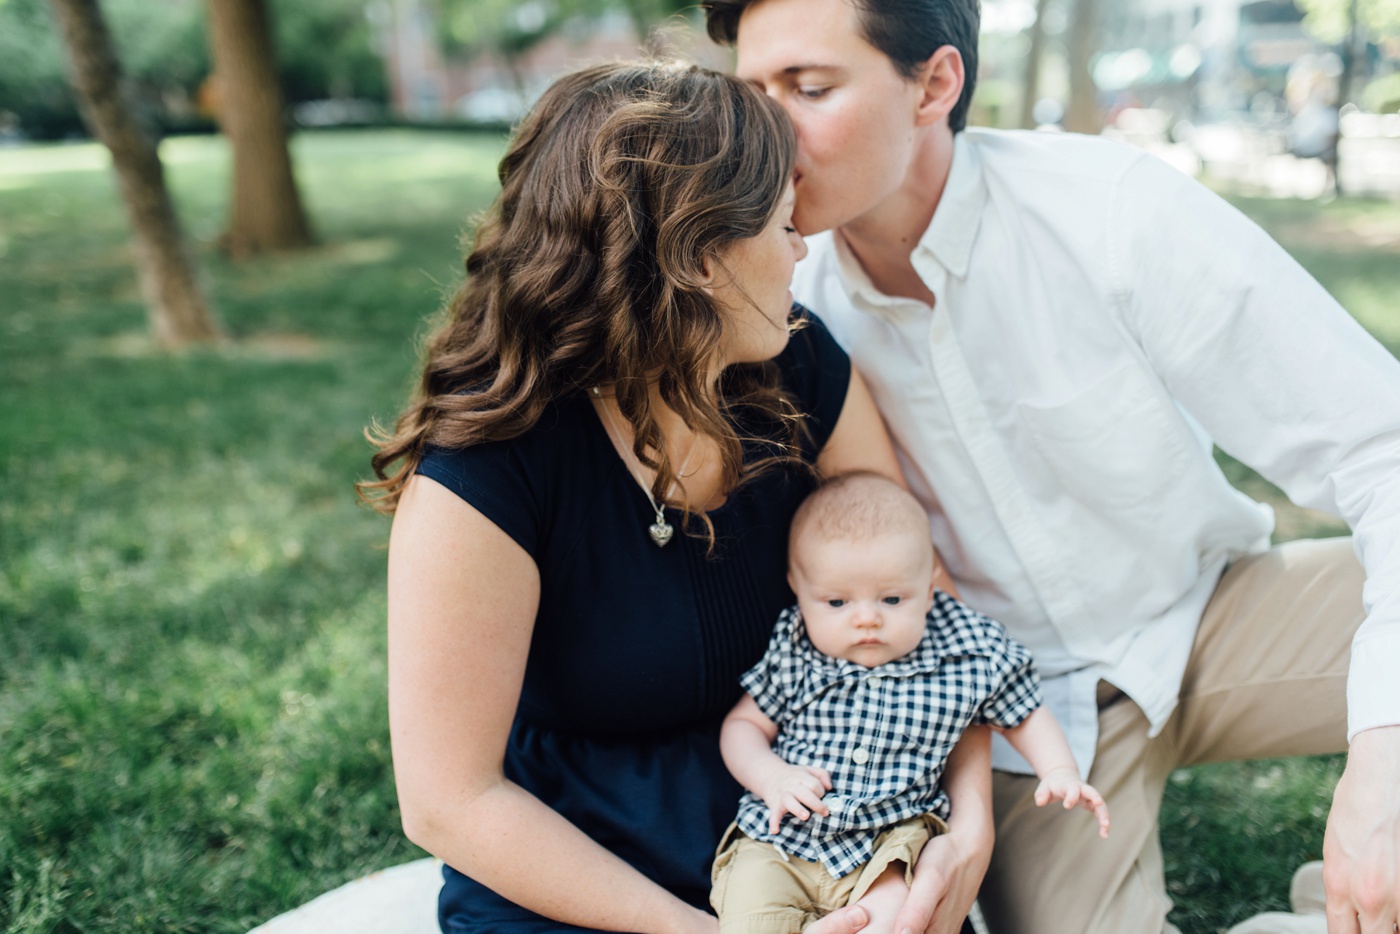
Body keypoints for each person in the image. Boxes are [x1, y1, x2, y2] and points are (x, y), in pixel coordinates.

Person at [700, 1, 1400, 933]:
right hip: (1031, 712)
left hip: (1213, 613)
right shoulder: (785, 314)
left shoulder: (1110, 211)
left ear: (935, 85)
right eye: (751, 93)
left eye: (811, 88)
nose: (765, 131)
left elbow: (1377, 443)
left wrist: (1383, 756)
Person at [361, 59, 990, 934]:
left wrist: (966, 828)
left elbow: (931, 615)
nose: (802, 249)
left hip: (808, 834)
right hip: (578, 877)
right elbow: (448, 802)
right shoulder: (485, 474)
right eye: (780, 225)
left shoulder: (803, 369)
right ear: (698, 259)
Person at [712, 473, 1109, 934]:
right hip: (780, 838)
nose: (866, 618)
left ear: (929, 584)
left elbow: (1024, 712)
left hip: (891, 839)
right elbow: (743, 726)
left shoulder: (967, 648)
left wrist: (1059, 770)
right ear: (797, 587)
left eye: (893, 598)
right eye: (837, 601)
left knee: (898, 914)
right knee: (749, 919)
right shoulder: (795, 645)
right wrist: (772, 776)